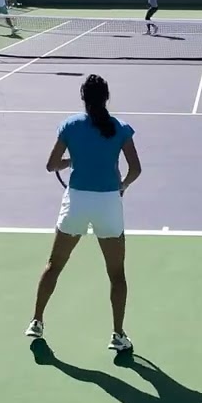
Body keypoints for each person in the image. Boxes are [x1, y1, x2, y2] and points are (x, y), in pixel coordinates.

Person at [27, 74, 142, 352]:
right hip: (108, 205)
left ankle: (36, 321)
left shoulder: (69, 125)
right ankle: (118, 334)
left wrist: (73, 160)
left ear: (83, 98)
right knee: (116, 274)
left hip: (76, 203)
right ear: (106, 98)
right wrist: (122, 186)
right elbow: (135, 169)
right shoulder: (121, 128)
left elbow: (51, 165)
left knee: (54, 265)